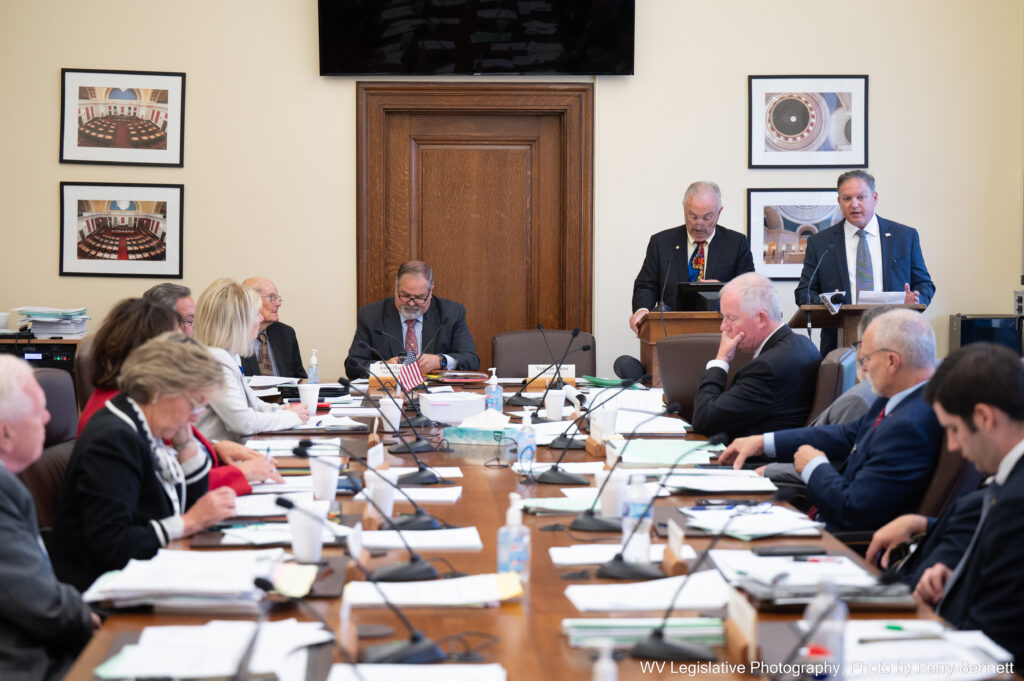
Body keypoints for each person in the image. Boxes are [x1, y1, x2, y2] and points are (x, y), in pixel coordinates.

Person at [719, 309, 943, 533]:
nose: (863, 368)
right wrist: (762, 442)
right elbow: (843, 435)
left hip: (842, 546)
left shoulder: (910, 426)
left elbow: (854, 510)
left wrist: (814, 466)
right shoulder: (898, 399)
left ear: (892, 361)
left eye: (866, 359)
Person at [51, 334, 239, 591]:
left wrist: (186, 445)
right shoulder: (114, 439)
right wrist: (189, 522)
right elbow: (113, 545)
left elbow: (187, 505)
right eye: (195, 404)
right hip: (108, 594)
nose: (195, 418)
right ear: (160, 390)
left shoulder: (144, 425)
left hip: (147, 575)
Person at [77, 297, 280, 494]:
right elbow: (165, 487)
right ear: (148, 353)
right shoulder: (121, 417)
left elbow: (172, 457)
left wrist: (214, 448)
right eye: (175, 343)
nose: (185, 345)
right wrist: (238, 473)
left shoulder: (141, 398)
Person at [910, 343, 1024, 660]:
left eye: (954, 429)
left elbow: (994, 640)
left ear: (984, 417)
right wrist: (961, 578)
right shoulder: (1010, 483)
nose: (954, 445)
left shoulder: (1016, 503)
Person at [0, 356, 98, 681]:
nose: (47, 418)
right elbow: (38, 603)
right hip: (31, 665)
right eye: (37, 411)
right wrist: (90, 617)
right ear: (5, 432)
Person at [795, 170, 935, 355]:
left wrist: (914, 301)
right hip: (840, 344)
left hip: (896, 339)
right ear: (839, 202)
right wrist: (827, 301)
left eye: (861, 197)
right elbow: (804, 292)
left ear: (874, 197)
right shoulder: (821, 243)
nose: (854, 204)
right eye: (847, 198)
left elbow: (925, 285)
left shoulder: (904, 237)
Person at [761, 304, 898, 486]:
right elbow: (839, 435)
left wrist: (767, 470)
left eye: (866, 352)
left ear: (891, 359)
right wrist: (763, 442)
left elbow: (843, 471)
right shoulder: (886, 399)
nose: (861, 361)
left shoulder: (862, 399)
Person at [690, 272, 821, 440]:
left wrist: (721, 360)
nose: (723, 327)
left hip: (753, 461)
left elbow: (704, 420)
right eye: (723, 318)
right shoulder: (803, 344)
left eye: (731, 318)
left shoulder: (767, 368)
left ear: (761, 318)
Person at [629, 181, 755, 334]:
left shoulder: (736, 243)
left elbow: (751, 292)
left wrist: (726, 289)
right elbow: (646, 285)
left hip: (720, 332)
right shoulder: (661, 242)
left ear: (719, 212)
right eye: (693, 216)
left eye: (707, 218)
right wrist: (642, 310)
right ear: (684, 208)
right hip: (670, 332)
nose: (698, 225)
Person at [194, 278, 309, 441]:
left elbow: (251, 403)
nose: (260, 319)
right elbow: (244, 423)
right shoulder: (215, 362)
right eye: (256, 314)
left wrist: (283, 410)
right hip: (219, 455)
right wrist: (292, 417)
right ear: (238, 322)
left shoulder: (229, 355)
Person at [344, 260, 479, 379]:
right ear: (396, 288)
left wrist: (440, 361)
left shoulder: (451, 313)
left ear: (430, 291)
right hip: (389, 394)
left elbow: (471, 360)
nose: (411, 303)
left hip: (435, 394)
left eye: (419, 297)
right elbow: (353, 365)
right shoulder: (371, 315)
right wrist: (383, 367)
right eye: (405, 295)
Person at [240, 277, 307, 379]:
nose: (278, 303)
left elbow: (300, 379)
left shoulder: (286, 334)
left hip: (285, 395)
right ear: (251, 301)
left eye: (277, 298)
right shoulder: (233, 337)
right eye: (272, 298)